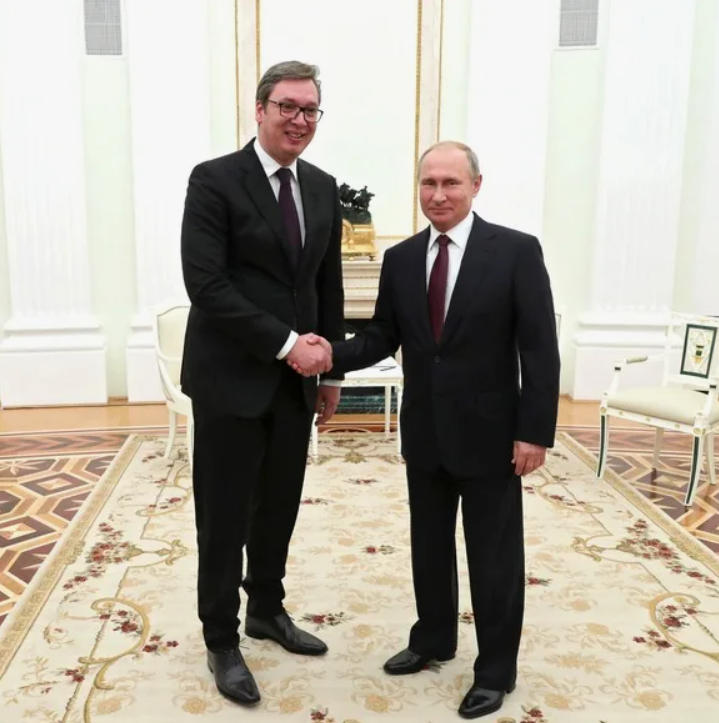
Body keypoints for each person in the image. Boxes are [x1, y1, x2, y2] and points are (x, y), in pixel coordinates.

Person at [290, 141, 560, 719]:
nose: (438, 195)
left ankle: (496, 670)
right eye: (428, 184)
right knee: (429, 546)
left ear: (476, 186)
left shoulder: (516, 251)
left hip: (492, 436)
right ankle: (434, 638)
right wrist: (327, 353)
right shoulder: (403, 258)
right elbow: (381, 336)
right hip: (426, 432)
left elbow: (540, 349)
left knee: (493, 559)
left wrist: (534, 432)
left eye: (450, 183)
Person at [180, 60, 344, 706]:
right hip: (230, 382)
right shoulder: (214, 180)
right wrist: (286, 344)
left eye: (310, 110)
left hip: (294, 387)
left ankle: (266, 611)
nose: (299, 120)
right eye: (287, 107)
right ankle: (221, 638)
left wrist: (328, 369)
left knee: (278, 506)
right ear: (259, 109)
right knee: (224, 517)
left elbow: (325, 284)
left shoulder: (323, 187)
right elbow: (207, 285)